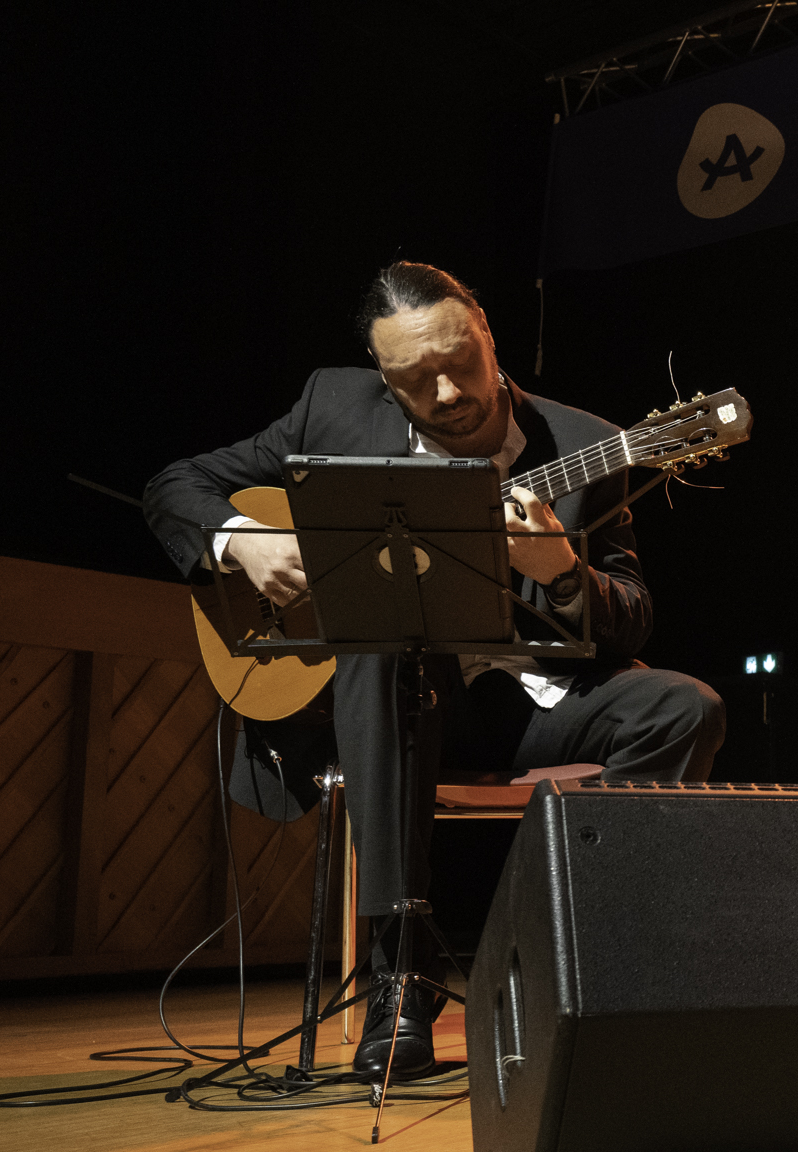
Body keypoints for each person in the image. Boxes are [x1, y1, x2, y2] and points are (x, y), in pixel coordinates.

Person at [144, 262, 726, 1074]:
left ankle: (593, 958)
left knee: (685, 706)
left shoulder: (589, 444)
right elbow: (177, 485)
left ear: (487, 333)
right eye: (417, 380)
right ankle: (399, 979)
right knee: (387, 645)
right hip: (388, 706)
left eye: (461, 363)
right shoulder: (332, 407)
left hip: (526, 704)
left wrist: (563, 571)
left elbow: (631, 612)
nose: (448, 393)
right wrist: (241, 541)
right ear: (384, 380)